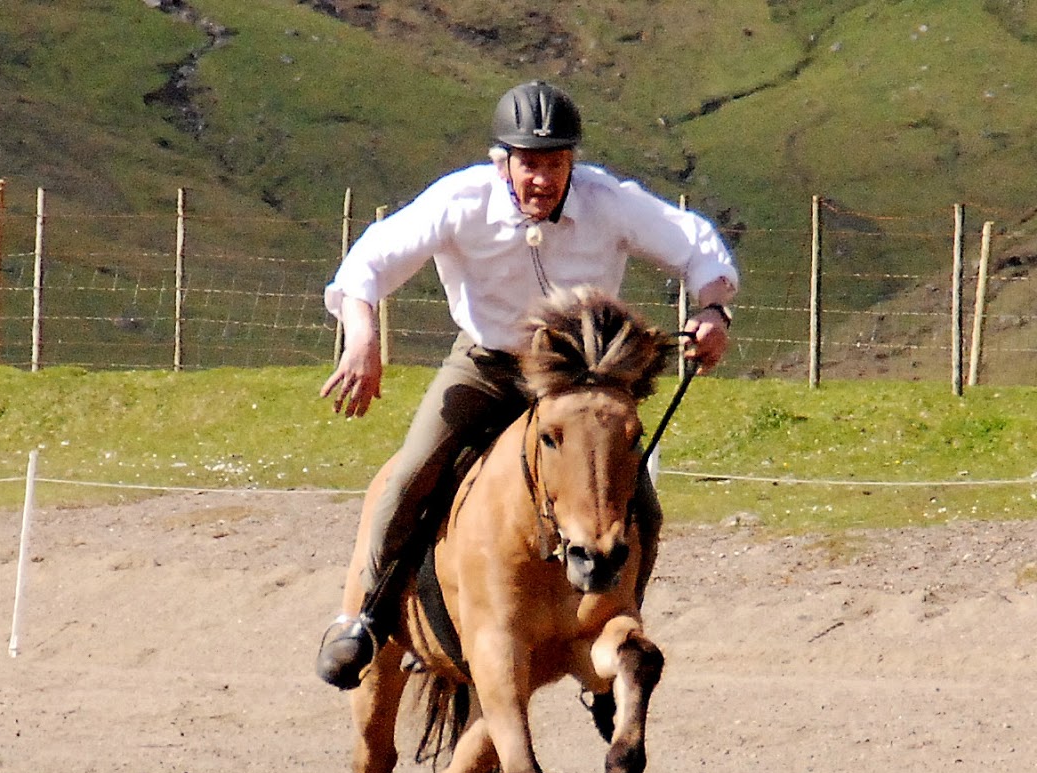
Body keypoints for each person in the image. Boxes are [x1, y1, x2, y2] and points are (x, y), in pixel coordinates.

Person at [314, 79, 739, 689]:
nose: (542, 179)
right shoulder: (459, 201)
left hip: (578, 378)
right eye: (530, 164)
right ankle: (366, 618)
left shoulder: (609, 201)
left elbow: (699, 247)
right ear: (502, 162)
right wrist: (363, 336)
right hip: (489, 365)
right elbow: (370, 263)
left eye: (556, 164)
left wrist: (713, 310)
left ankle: (618, 620)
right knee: (412, 473)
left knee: (640, 498)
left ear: (574, 163)